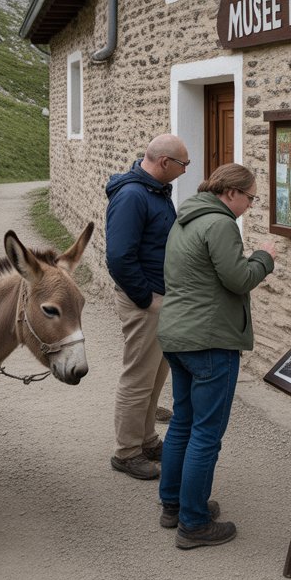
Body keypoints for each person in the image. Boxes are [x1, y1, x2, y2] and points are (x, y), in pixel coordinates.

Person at [157, 163, 276, 549]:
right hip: (209, 341)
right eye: (250, 198)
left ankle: (173, 504)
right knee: (206, 434)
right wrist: (264, 257)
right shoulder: (221, 224)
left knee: (183, 423)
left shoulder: (186, 217)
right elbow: (238, 279)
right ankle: (193, 524)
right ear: (231, 193)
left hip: (177, 335)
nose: (250, 206)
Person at [105, 134, 190, 480]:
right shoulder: (132, 196)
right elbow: (119, 257)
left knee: (156, 375)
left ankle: (147, 438)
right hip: (146, 301)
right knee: (138, 378)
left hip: (159, 298)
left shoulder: (155, 191)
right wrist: (147, 299)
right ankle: (126, 452)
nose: (186, 170)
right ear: (165, 163)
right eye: (183, 164)